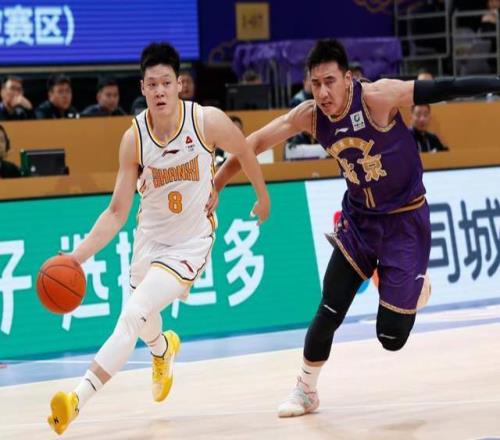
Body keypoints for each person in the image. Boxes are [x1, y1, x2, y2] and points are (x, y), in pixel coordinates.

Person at [210, 38, 500, 417]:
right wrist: (216, 184)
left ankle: (417, 287)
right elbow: (253, 142)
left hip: (405, 221)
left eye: (330, 82)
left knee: (391, 337)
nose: (323, 93)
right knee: (330, 306)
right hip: (359, 221)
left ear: (348, 78)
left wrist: (495, 82)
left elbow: (445, 87)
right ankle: (305, 389)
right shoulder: (310, 116)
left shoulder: (378, 97)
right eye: (316, 84)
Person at [46, 42, 270, 435]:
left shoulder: (206, 121)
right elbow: (116, 212)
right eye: (153, 84)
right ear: (143, 88)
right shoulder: (134, 138)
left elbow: (244, 149)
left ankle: (75, 401)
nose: (160, 91)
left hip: (190, 243)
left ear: (179, 84)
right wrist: (77, 258)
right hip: (148, 240)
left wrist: (262, 196)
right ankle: (163, 350)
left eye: (167, 82)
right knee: (145, 321)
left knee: (132, 313)